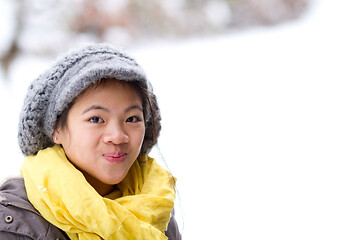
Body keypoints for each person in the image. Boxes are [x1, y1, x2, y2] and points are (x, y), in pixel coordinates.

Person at [0, 43, 181, 240]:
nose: (118, 136)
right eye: (96, 119)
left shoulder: (156, 207)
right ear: (56, 130)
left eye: (132, 119)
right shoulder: (16, 222)